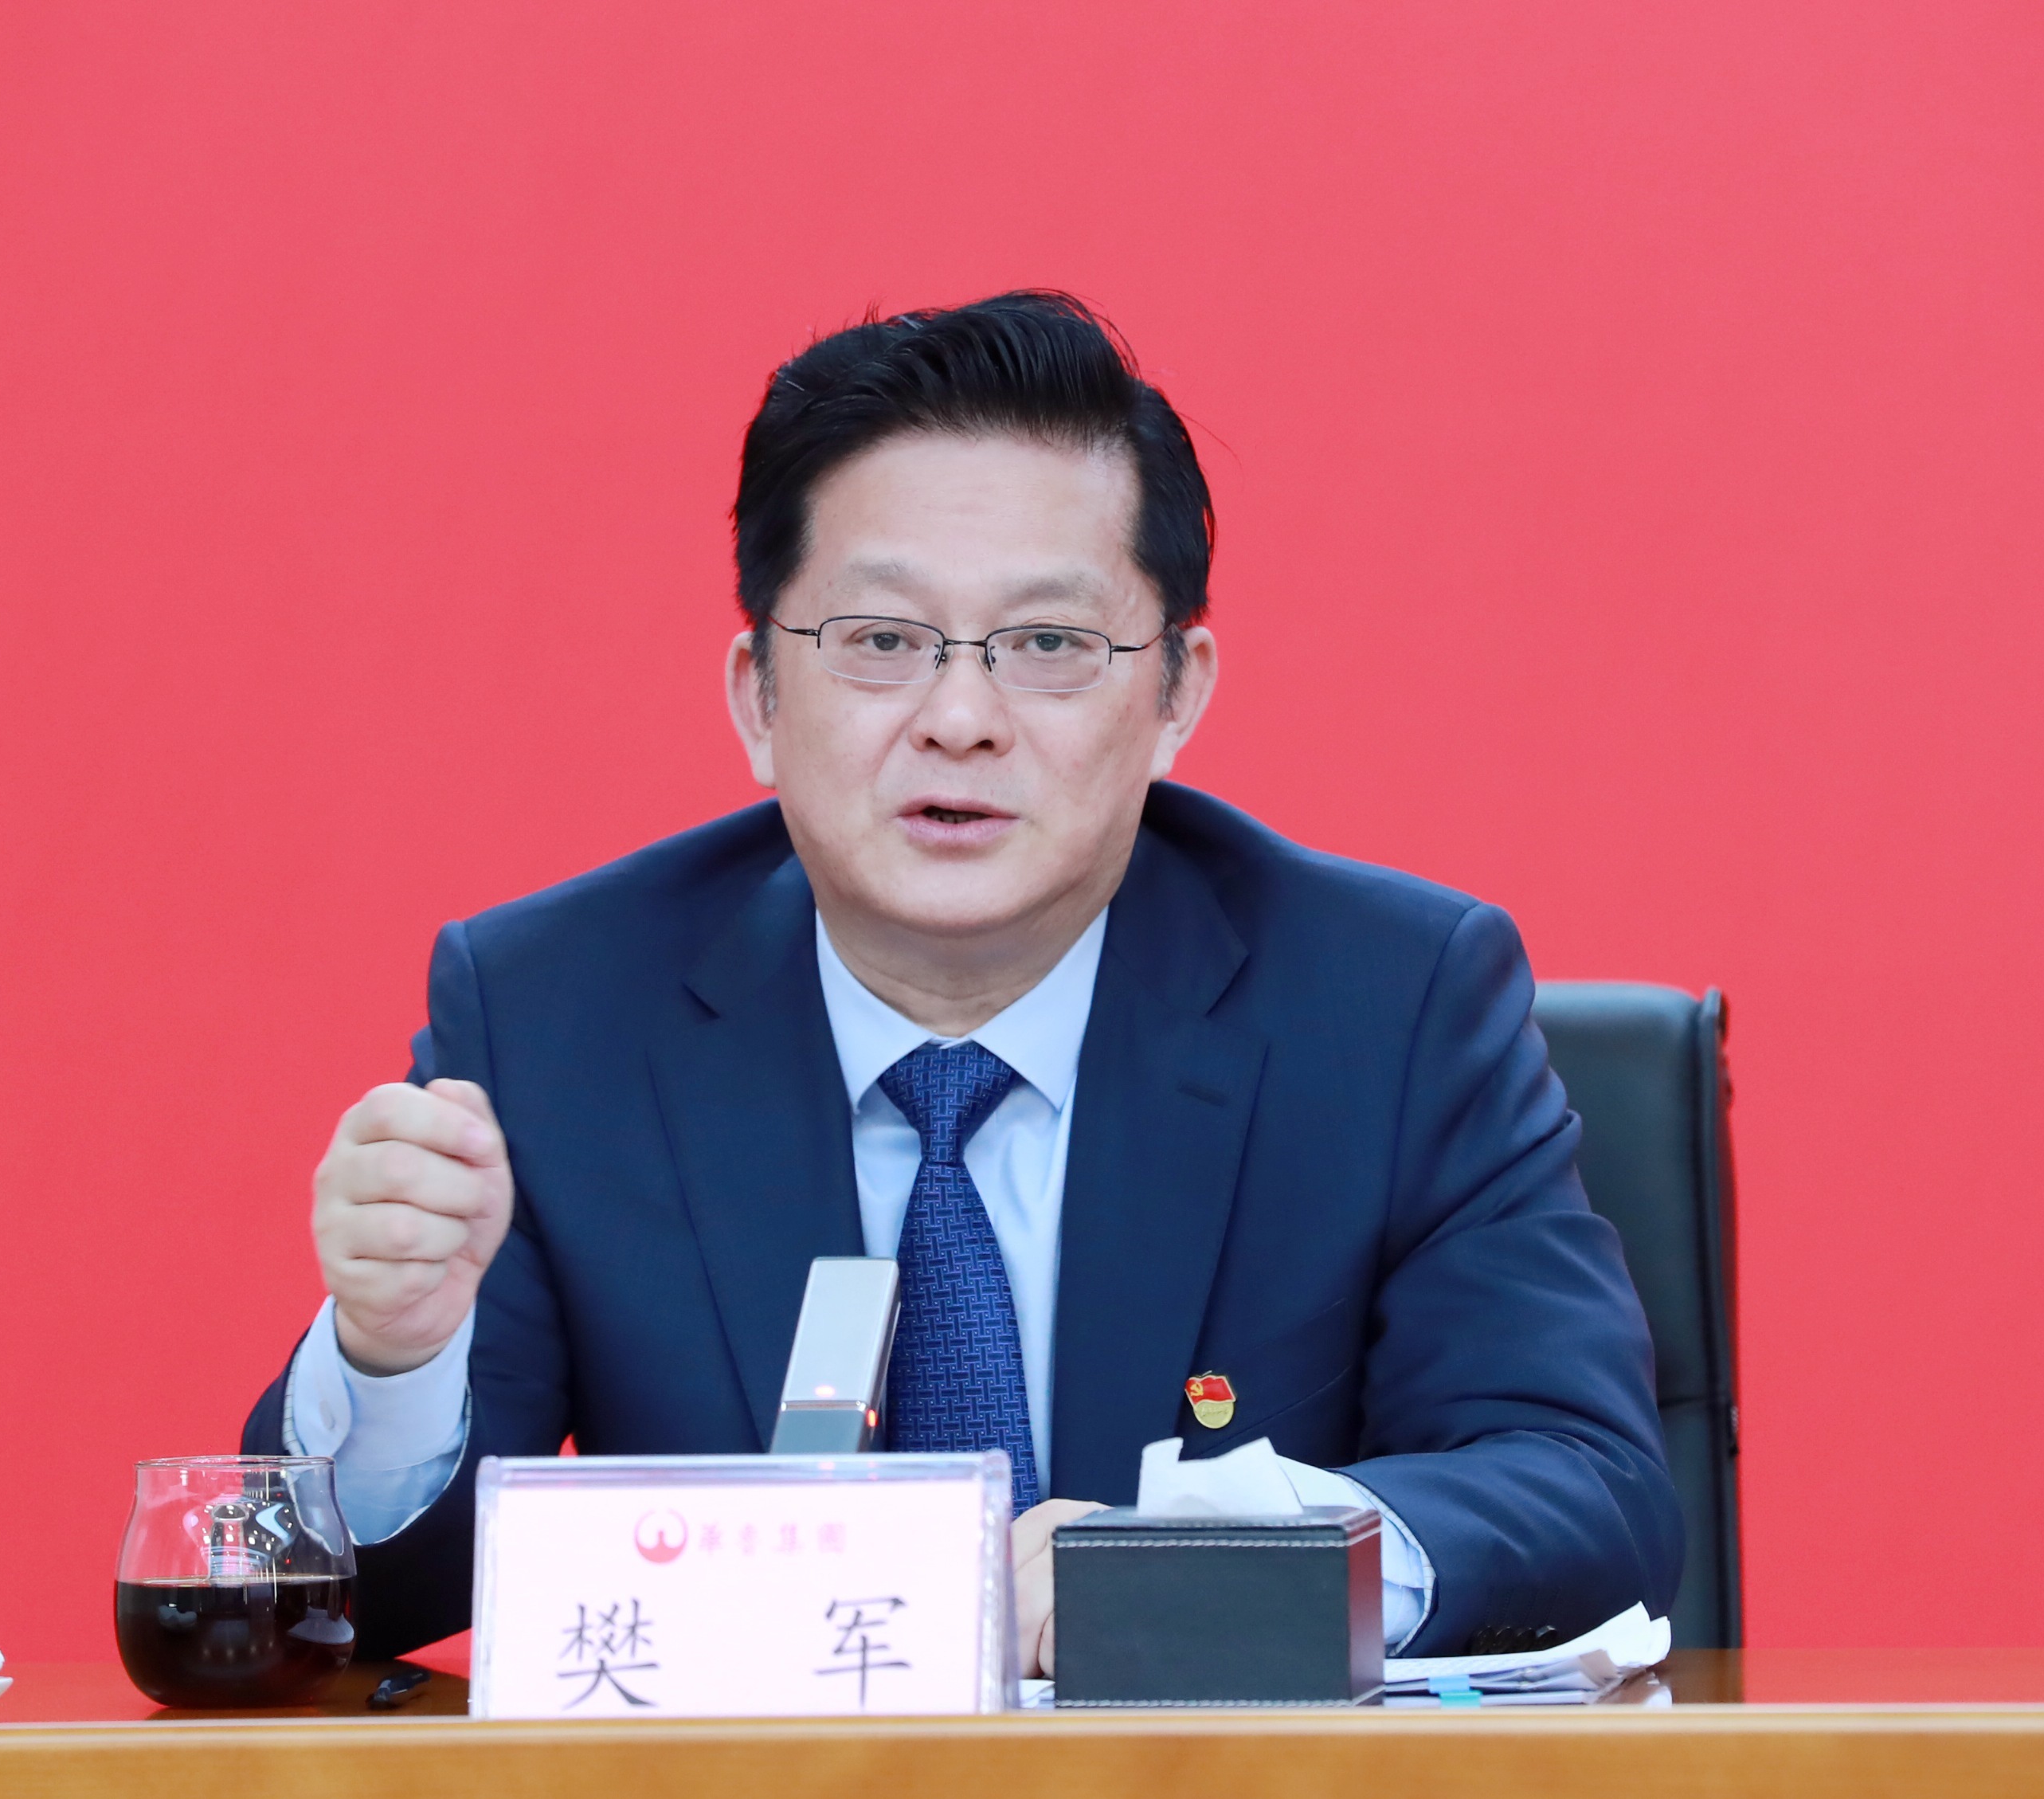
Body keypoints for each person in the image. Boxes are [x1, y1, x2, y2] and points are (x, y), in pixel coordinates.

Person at [242, 291, 1682, 1667]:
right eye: (882, 641)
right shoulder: (557, 1013)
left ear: (1177, 694)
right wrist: (394, 1362)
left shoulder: (1391, 1006)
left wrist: (1221, 1558)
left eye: (1049, 643)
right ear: (759, 697)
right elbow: (345, 1606)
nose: (961, 717)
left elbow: (1585, 1487)